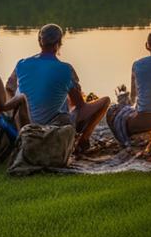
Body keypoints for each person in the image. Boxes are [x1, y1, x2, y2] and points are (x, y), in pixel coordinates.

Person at [6, 23, 110, 152]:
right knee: (105, 101)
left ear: (39, 41)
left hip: (23, 124)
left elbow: (9, 88)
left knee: (60, 100)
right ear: (59, 43)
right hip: (51, 127)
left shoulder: (21, 64)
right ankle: (83, 141)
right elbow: (79, 104)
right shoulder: (66, 69)